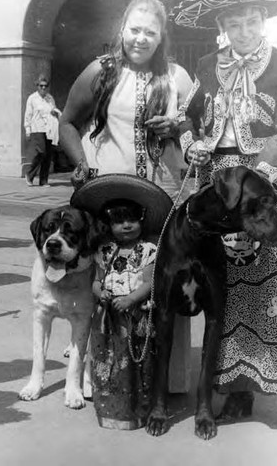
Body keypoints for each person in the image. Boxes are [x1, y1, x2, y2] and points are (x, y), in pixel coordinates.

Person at [172, 0, 277, 440]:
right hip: (219, 193)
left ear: (264, 22)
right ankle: (239, 388)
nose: (244, 31)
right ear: (222, 25)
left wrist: (252, 176)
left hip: (261, 186)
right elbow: (186, 117)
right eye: (234, 23)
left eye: (252, 21)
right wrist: (191, 143)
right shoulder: (204, 64)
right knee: (230, 291)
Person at [59, 0, 196, 393]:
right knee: (110, 282)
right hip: (110, 201)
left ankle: (163, 382)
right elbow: (68, 123)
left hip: (161, 199)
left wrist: (176, 127)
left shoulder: (178, 78)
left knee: (159, 281)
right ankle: (107, 378)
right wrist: (81, 164)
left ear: (161, 37)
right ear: (121, 29)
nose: (140, 39)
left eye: (149, 32)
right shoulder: (100, 72)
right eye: (134, 29)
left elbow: (198, 133)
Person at [71, 174, 173, 429]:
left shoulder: (148, 249)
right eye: (119, 221)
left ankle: (138, 410)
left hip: (136, 313)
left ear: (141, 220)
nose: (126, 226)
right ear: (109, 224)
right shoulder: (104, 251)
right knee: (109, 361)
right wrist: (100, 292)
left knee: (137, 360)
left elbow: (151, 283)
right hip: (108, 316)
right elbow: (97, 281)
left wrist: (130, 299)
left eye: (131, 219)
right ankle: (111, 410)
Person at [24, 74, 61, 187]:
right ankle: (29, 174)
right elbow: (28, 114)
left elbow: (53, 109)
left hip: (49, 128)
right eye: (41, 86)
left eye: (45, 86)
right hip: (37, 128)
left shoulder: (50, 98)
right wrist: (27, 128)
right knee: (41, 152)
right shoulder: (32, 98)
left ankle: (43, 180)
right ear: (37, 86)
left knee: (48, 155)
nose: (43, 88)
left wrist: (56, 113)